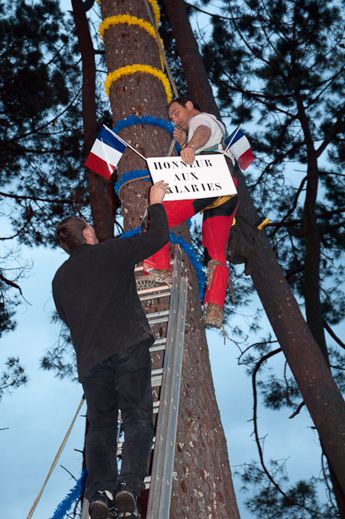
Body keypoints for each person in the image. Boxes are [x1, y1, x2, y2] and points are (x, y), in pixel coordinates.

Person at [52, 181, 169, 519]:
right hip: (127, 346)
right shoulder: (110, 251)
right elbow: (156, 238)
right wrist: (156, 203)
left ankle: (100, 491)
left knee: (101, 426)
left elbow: (67, 317)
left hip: (91, 362)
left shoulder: (59, 280)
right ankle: (128, 486)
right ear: (87, 234)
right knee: (136, 416)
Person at [143, 96, 238, 328]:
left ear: (189, 105)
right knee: (215, 252)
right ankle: (214, 307)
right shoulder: (213, 130)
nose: (174, 118)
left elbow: (202, 131)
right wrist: (185, 141)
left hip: (211, 175)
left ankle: (158, 267)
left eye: (176, 112)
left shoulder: (202, 119)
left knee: (158, 213)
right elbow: (204, 137)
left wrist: (191, 146)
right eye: (171, 117)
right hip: (227, 190)